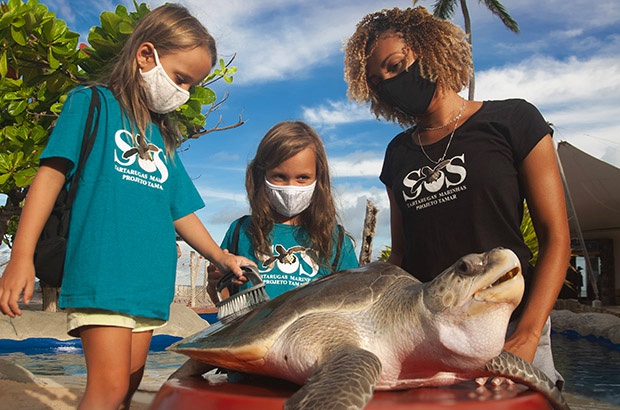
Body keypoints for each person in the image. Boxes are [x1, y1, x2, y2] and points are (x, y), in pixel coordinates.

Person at [0, 4, 253, 409]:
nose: (184, 92)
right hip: (104, 275)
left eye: (192, 85)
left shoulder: (163, 137)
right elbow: (49, 177)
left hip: (148, 284)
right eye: (181, 78)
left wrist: (221, 256)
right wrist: (21, 257)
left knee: (128, 389)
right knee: (108, 390)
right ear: (145, 55)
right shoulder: (90, 103)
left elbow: (180, 210)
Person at [343, 6, 570, 388]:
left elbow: (556, 237)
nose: (390, 83)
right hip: (425, 335)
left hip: (507, 323)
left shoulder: (514, 121)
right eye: (378, 82)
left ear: (429, 49)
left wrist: (528, 335)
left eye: (396, 65)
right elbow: (400, 255)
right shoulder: (398, 153)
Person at [208, 120, 359, 303]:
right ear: (261, 175)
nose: (291, 188)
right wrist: (215, 282)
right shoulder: (241, 231)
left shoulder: (336, 239)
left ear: (318, 179)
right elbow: (225, 305)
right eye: (279, 176)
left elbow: (351, 302)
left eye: (302, 178)